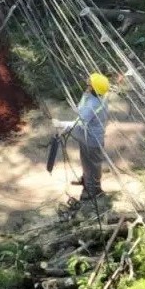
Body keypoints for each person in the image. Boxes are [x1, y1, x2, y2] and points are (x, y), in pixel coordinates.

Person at [55, 72, 111, 200]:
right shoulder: (99, 95)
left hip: (92, 139)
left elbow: (79, 124)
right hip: (88, 136)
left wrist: (61, 125)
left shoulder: (92, 106)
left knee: (93, 165)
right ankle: (86, 180)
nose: (87, 83)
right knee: (86, 161)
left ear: (94, 89)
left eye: (89, 84)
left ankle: (94, 190)